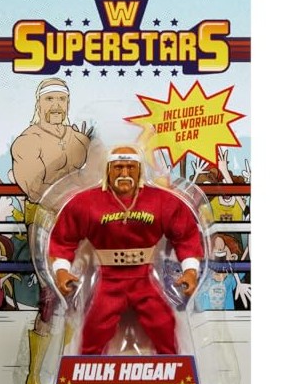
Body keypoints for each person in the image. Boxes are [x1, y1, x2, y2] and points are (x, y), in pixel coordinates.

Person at [49, 146, 203, 355]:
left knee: (164, 323)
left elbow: (186, 234)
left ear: (140, 170)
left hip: (144, 279)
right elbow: (63, 237)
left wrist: (191, 270)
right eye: (118, 167)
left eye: (130, 167)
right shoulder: (86, 202)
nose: (124, 173)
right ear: (108, 170)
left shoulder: (161, 200)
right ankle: (86, 368)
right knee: (94, 328)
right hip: (109, 280)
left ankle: (173, 366)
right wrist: (61, 270)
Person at [11, 78, 92, 384]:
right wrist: (74, 164)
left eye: (61, 99)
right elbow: (35, 188)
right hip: (45, 219)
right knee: (50, 295)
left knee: (79, 295)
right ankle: (34, 379)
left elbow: (94, 179)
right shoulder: (27, 141)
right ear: (39, 103)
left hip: (80, 220)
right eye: (50, 100)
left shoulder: (79, 139)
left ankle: (67, 372)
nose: (56, 106)